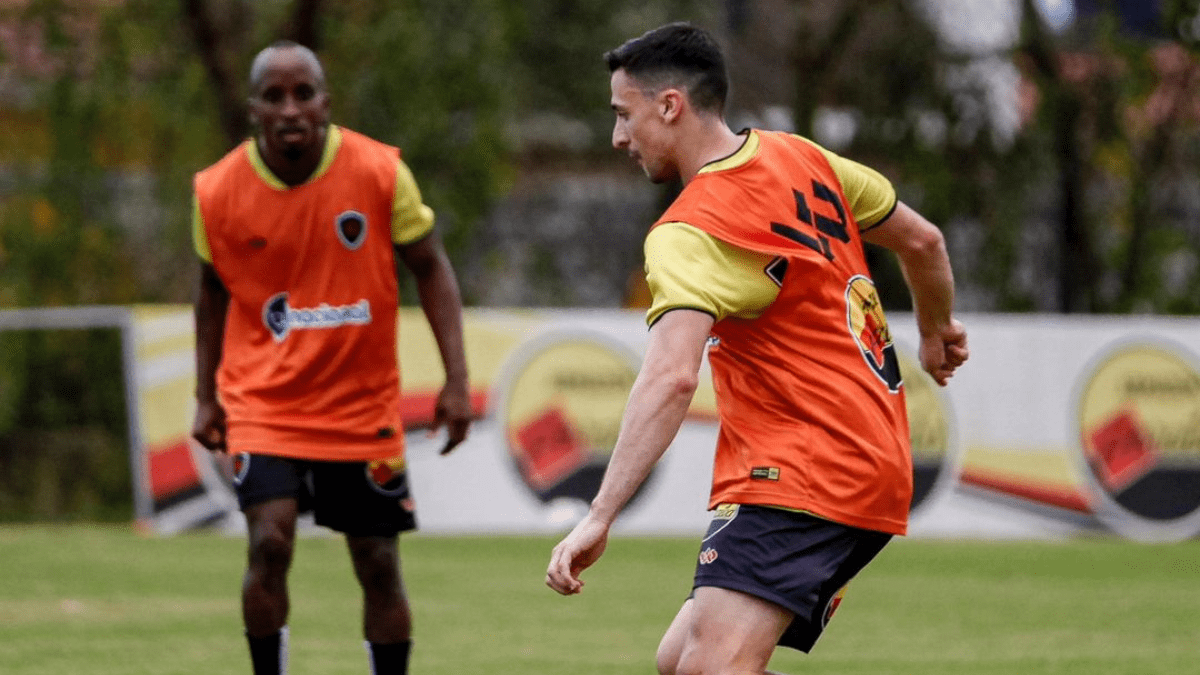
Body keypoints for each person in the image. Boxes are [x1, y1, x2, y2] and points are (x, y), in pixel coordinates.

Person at [545, 22, 969, 675]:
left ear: (670, 105)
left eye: (623, 115)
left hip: (805, 467)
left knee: (711, 668)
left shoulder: (690, 229)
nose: (617, 138)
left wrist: (598, 515)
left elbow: (670, 379)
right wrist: (937, 329)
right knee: (680, 661)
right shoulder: (805, 158)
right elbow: (925, 242)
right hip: (867, 459)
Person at [191, 40, 472, 675]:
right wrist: (206, 395)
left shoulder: (378, 171)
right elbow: (210, 295)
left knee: (376, 559)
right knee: (269, 541)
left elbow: (431, 268)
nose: (291, 108)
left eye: (304, 93)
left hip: (358, 402)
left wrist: (457, 381)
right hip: (264, 400)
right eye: (274, 96)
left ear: (325, 102)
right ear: (253, 109)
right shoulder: (215, 191)